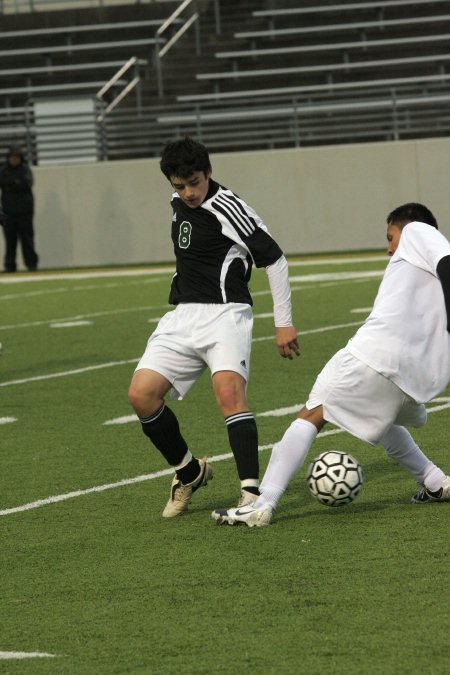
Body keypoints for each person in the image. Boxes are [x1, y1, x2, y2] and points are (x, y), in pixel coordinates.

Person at [212, 202, 450, 527]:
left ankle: (263, 502)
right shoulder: (423, 268)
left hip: (376, 354)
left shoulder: (418, 233)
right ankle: (436, 482)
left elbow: (447, 263)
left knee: (312, 413)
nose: (389, 247)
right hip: (415, 375)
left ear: (406, 227)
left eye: (390, 236)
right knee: (382, 417)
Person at [128, 136, 300, 518]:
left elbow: (274, 260)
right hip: (183, 315)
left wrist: (283, 322)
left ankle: (251, 496)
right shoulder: (178, 201)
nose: (187, 192)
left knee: (228, 395)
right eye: (179, 185)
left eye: (194, 183)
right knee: (141, 395)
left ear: (209, 172)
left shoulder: (229, 207)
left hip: (226, 314)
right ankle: (189, 472)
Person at [0, 146, 38, 273]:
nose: (14, 160)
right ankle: (9, 265)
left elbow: (27, 183)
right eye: (12, 157)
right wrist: (15, 182)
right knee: (10, 241)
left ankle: (31, 264)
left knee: (27, 240)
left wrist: (11, 184)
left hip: (25, 212)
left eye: (17, 157)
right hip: (8, 212)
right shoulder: (4, 170)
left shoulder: (25, 170)